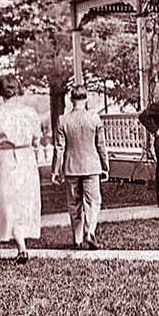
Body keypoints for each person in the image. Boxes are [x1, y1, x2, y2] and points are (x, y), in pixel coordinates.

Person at [0, 75, 42, 266]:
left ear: (0, 92)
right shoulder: (30, 113)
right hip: (26, 158)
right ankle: (22, 245)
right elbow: (36, 140)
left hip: (6, 158)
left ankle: (21, 247)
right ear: (19, 89)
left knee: (8, 203)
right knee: (24, 201)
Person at [51, 85, 109, 250]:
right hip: (91, 166)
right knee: (93, 202)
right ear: (86, 98)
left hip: (71, 167)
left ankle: (77, 238)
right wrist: (105, 166)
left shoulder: (63, 120)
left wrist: (55, 170)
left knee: (74, 203)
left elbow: (59, 148)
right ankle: (90, 231)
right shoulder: (94, 118)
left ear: (71, 99)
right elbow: (101, 146)